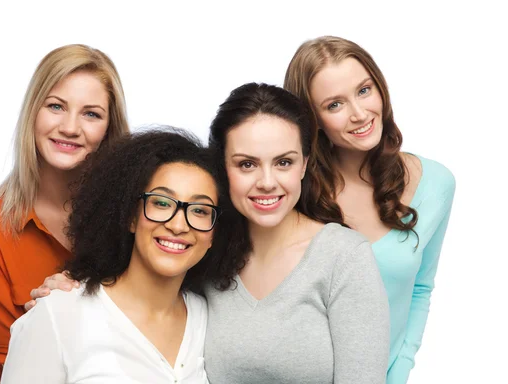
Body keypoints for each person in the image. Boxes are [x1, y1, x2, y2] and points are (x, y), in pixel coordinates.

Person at [29, 83, 390, 383]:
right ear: (222, 168)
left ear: (305, 165)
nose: (267, 182)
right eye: (246, 164)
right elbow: (136, 282)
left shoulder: (343, 257)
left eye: (284, 162)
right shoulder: (202, 249)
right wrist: (65, 289)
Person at [284, 35, 456, 383]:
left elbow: (420, 288)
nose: (360, 114)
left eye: (364, 90)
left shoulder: (436, 183)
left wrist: (399, 373)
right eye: (335, 105)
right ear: (311, 120)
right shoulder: (293, 193)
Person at [1, 128, 229, 383]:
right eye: (162, 203)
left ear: (214, 233)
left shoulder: (210, 320)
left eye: (199, 210)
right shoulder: (58, 315)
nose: (178, 225)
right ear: (131, 216)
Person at [0, 44, 129, 383]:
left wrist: (77, 299)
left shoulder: (136, 214)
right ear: (33, 113)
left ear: (109, 127)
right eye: (56, 106)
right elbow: (12, 356)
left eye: (91, 114)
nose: (69, 127)